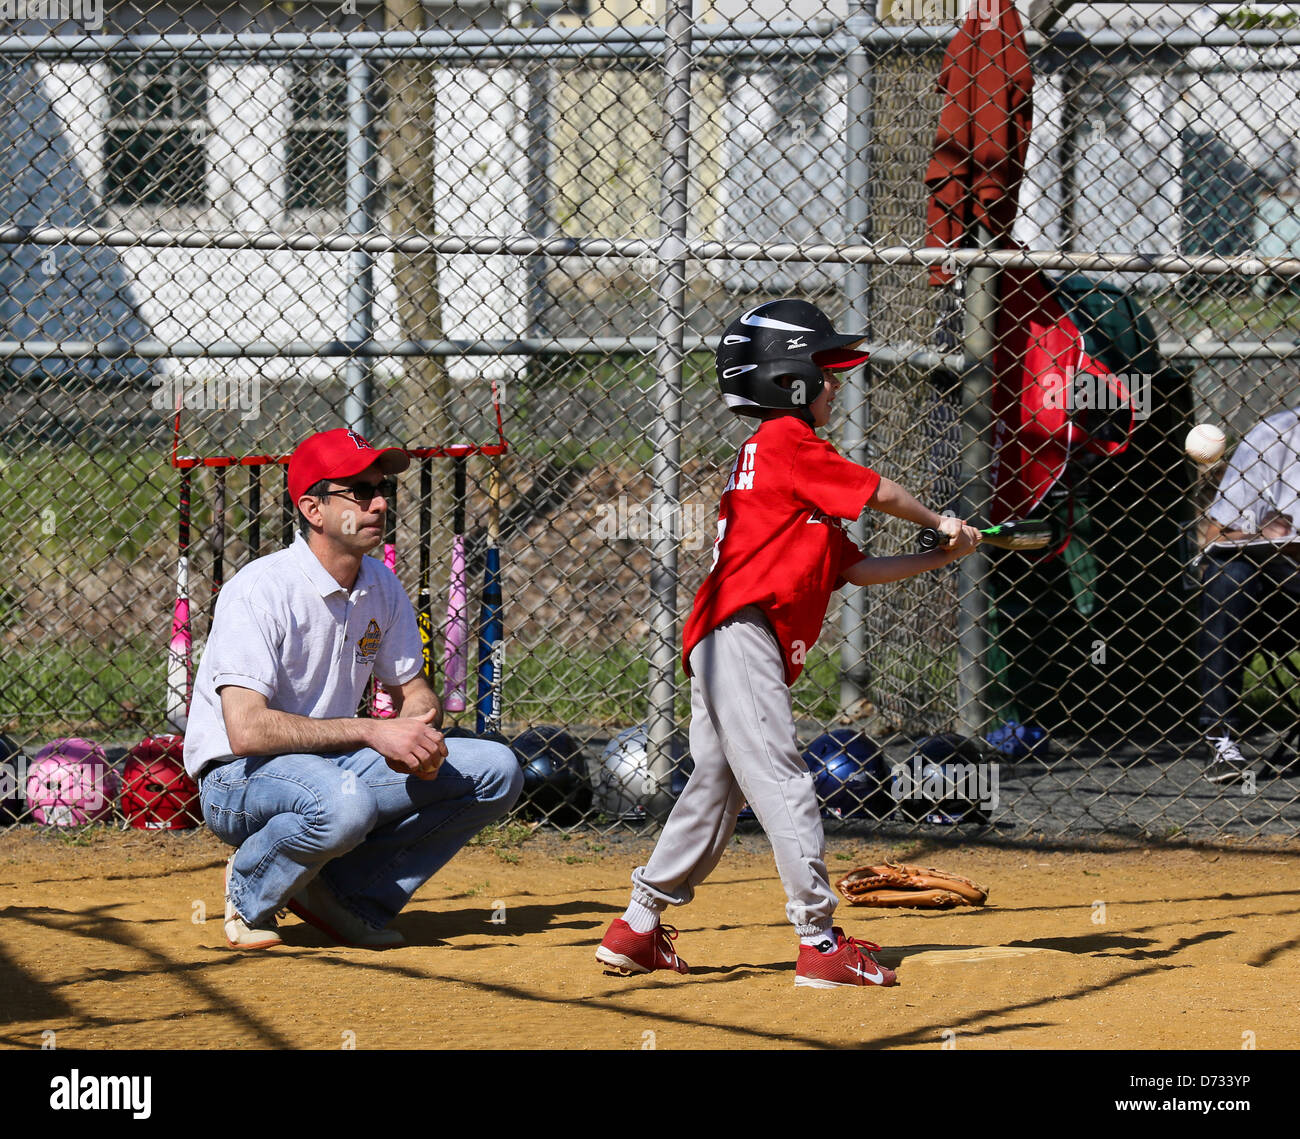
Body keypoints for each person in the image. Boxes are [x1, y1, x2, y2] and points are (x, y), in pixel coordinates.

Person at [594, 299, 981, 989]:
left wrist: (939, 556)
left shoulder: (784, 479)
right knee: (783, 778)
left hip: (726, 635)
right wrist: (940, 518)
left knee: (717, 788)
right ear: (787, 380)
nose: (835, 384)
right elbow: (885, 493)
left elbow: (853, 566)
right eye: (824, 372)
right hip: (741, 633)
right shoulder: (787, 443)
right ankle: (819, 940)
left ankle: (638, 924)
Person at [183, 428, 522, 950]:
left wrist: (419, 730)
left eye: (383, 489)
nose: (380, 502)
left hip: (334, 766)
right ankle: (251, 887)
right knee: (346, 805)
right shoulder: (260, 590)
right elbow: (246, 731)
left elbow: (413, 688)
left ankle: (345, 894)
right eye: (360, 492)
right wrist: (372, 730)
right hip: (236, 778)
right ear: (312, 510)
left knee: (495, 769)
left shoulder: (379, 584)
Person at [1197, 405, 1300, 785]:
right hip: (1282, 597)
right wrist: (1268, 539)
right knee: (1229, 575)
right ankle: (1221, 740)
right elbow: (1216, 538)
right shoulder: (1275, 434)